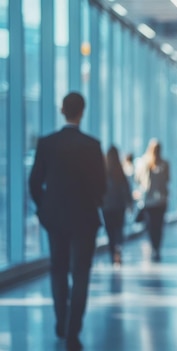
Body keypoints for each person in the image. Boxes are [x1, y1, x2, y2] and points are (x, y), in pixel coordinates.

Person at [28, 92, 106, 351]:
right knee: (81, 273)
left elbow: (34, 183)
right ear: (82, 112)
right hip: (84, 218)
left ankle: (61, 323)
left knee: (58, 269)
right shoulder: (92, 145)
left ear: (62, 110)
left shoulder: (47, 143)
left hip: (56, 219)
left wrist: (44, 209)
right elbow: (101, 187)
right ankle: (74, 330)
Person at [135, 139, 170, 262]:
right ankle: (157, 247)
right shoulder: (164, 164)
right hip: (161, 200)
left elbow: (137, 178)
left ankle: (153, 244)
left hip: (148, 200)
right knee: (159, 225)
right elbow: (167, 180)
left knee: (150, 225)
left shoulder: (143, 162)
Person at [102, 146, 133, 266]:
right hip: (119, 206)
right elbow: (126, 189)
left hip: (107, 207)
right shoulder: (120, 172)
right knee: (118, 229)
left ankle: (112, 253)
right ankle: (118, 250)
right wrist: (129, 203)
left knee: (110, 231)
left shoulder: (103, 172)